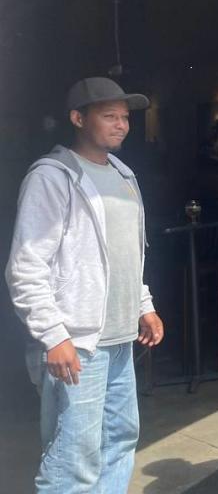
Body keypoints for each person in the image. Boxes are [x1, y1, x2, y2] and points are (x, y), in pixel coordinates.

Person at [5, 77, 164, 493]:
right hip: (76, 344)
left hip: (119, 340)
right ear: (78, 119)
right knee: (73, 458)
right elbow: (26, 266)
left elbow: (130, 253)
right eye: (109, 116)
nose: (121, 125)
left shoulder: (124, 175)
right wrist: (53, 335)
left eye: (125, 118)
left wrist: (142, 305)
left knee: (120, 440)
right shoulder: (52, 178)